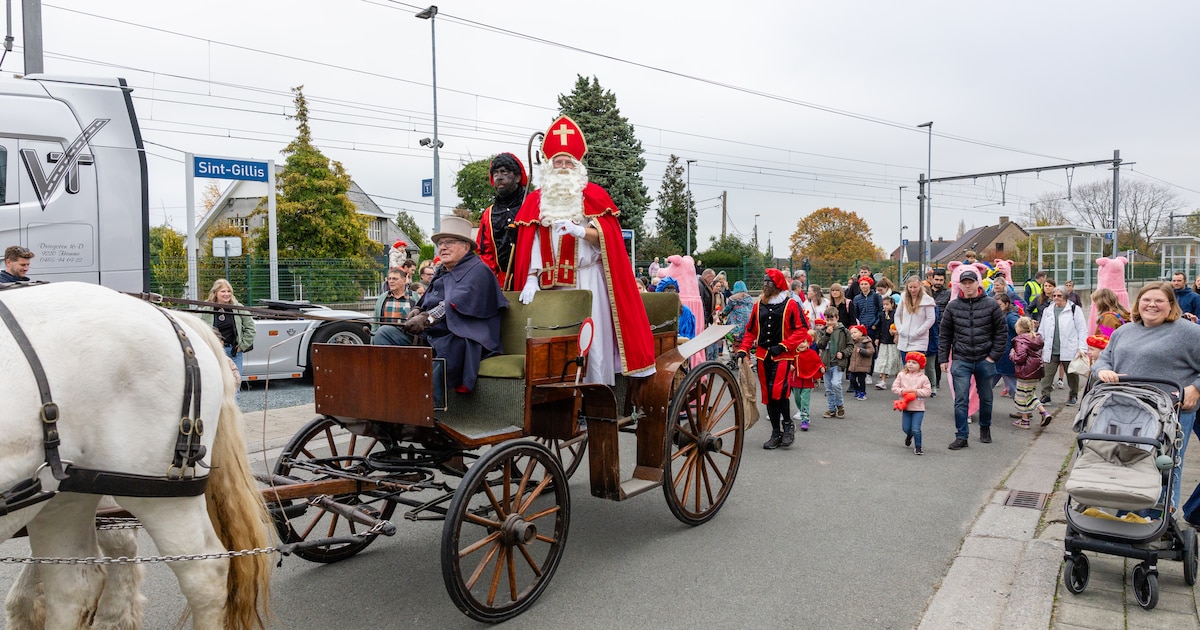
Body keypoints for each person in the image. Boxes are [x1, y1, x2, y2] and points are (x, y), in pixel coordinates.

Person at [511, 115, 656, 388]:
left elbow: (609, 243)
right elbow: (530, 242)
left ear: (577, 166)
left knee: (592, 340)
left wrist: (582, 232)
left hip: (588, 280)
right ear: (550, 165)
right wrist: (530, 276)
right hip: (549, 287)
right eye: (558, 162)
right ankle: (555, 396)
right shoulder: (536, 201)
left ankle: (594, 396)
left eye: (568, 162)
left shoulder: (594, 196)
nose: (563, 167)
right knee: (553, 342)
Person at [1094, 282, 1200, 512]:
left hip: (1171, 413)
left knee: (1163, 467)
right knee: (1128, 462)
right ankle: (1127, 514)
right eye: (1146, 299)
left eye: (1159, 300)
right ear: (1138, 303)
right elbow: (1104, 359)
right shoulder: (1124, 331)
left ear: (1171, 305)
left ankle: (1156, 521)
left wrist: (1196, 388)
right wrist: (1102, 370)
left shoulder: (1188, 332)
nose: (1152, 304)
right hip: (1127, 410)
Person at [400, 216, 508, 408]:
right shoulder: (441, 270)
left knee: (448, 348)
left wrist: (426, 318)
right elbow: (427, 298)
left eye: (449, 242)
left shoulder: (479, 271)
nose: (442, 247)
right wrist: (417, 309)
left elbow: (455, 302)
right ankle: (390, 394)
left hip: (465, 333)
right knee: (385, 335)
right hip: (433, 331)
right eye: (440, 243)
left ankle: (430, 410)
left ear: (466, 246)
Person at [736, 269, 808, 449]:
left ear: (777, 285)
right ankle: (776, 431)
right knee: (768, 395)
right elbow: (751, 330)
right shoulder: (758, 304)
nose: (765, 285)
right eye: (764, 281)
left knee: (778, 391)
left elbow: (801, 330)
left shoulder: (791, 304)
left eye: (769, 282)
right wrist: (744, 349)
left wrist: (784, 345)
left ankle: (788, 425)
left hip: (782, 355)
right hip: (762, 355)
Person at [939, 269, 1007, 449]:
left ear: (978, 283)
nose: (968, 286)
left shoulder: (991, 305)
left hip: (985, 359)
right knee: (960, 399)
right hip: (961, 359)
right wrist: (943, 358)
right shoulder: (953, 306)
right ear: (959, 285)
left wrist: (993, 357)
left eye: (971, 282)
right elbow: (945, 334)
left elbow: (1001, 333)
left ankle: (985, 427)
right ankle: (961, 435)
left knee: (986, 398)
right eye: (964, 283)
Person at [476, 153, 529, 290]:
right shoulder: (488, 214)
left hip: (531, 279)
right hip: (501, 284)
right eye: (496, 173)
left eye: (504, 172)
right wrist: (491, 282)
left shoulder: (532, 205)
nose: (499, 177)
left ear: (517, 177)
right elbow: (484, 252)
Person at [1036, 285, 1088, 406]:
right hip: (1051, 348)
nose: (1056, 298)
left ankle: (1073, 395)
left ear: (1065, 296)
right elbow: (1042, 329)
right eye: (1054, 296)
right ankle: (1045, 396)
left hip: (1069, 348)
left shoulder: (1074, 309)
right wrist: (1039, 344)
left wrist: (1082, 348)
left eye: (1059, 295)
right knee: (1046, 374)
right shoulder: (1048, 310)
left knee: (1071, 375)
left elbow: (1082, 330)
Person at [197, 278, 256, 379]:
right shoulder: (207, 309)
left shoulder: (238, 308)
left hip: (234, 352)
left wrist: (242, 346)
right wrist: (215, 341)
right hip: (215, 352)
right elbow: (201, 330)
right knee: (217, 383)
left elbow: (250, 328)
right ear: (215, 293)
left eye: (229, 291)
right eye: (223, 291)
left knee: (235, 384)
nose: (226, 294)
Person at [1009, 316, 1052, 429]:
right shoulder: (1036, 338)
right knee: (1030, 394)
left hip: (1025, 372)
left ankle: (1025, 420)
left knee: (1021, 396)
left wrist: (1012, 354)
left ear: (1019, 329)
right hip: (1036, 371)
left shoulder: (1020, 340)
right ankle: (1043, 413)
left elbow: (1020, 358)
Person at [895, 275, 937, 387]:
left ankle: (918, 392)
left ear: (920, 286)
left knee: (916, 369)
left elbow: (931, 319)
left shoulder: (927, 300)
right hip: (904, 339)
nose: (913, 290)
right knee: (906, 368)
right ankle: (905, 391)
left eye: (915, 287)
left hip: (919, 340)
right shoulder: (903, 297)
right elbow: (897, 315)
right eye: (910, 287)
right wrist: (900, 329)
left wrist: (918, 332)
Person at [892, 352, 933, 455]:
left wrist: (916, 391)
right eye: (909, 362)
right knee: (906, 428)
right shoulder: (901, 375)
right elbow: (894, 388)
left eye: (914, 362)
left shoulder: (923, 378)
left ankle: (918, 447)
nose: (910, 364)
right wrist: (902, 391)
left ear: (920, 365)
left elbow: (928, 392)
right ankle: (909, 435)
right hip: (906, 407)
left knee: (916, 428)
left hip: (918, 408)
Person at [816, 308, 849, 419]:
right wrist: (827, 335)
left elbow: (851, 346)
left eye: (832, 319)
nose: (829, 322)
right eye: (827, 320)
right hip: (826, 363)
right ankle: (831, 408)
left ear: (837, 318)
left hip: (838, 363)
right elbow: (820, 345)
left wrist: (843, 353)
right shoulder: (823, 330)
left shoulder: (844, 331)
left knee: (836, 384)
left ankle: (840, 406)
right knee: (828, 388)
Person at [371, 267, 419, 346]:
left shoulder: (414, 297)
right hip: (384, 338)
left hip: (408, 338)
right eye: (389, 279)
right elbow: (375, 323)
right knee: (382, 331)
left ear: (404, 280)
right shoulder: (383, 298)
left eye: (395, 279)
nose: (391, 281)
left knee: (383, 330)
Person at [790, 331, 824, 432]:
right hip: (796, 380)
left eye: (804, 342)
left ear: (809, 343)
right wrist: (790, 366)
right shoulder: (794, 353)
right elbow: (788, 362)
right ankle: (801, 411)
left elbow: (818, 362)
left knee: (805, 400)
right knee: (797, 399)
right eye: (799, 341)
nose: (801, 344)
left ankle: (805, 419)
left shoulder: (812, 353)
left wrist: (821, 367)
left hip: (807, 381)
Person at [993, 293, 1019, 401]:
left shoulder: (1011, 317)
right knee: (985, 385)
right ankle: (975, 406)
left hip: (1007, 357)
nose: (996, 307)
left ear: (1007, 304)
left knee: (1013, 387)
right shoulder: (997, 316)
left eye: (999, 305)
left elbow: (1021, 329)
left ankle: (1025, 410)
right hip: (997, 357)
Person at [875, 296, 900, 390]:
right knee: (883, 360)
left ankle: (898, 381)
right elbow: (879, 326)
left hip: (893, 342)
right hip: (884, 340)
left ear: (892, 304)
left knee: (895, 361)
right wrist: (877, 337)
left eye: (887, 304)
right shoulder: (881, 314)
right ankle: (883, 381)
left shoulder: (895, 314)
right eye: (884, 304)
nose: (885, 306)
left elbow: (896, 325)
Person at [719, 280, 754, 349]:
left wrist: (722, 315)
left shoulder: (733, 298)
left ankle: (737, 356)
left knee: (737, 342)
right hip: (748, 323)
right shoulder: (749, 298)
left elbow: (727, 310)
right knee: (746, 342)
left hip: (737, 324)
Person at [846, 325, 873, 401]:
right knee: (852, 379)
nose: (853, 334)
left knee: (861, 380)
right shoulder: (852, 343)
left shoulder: (866, 341)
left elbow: (871, 351)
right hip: (853, 365)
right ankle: (857, 390)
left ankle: (862, 392)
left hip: (862, 365)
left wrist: (862, 351)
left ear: (861, 333)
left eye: (855, 332)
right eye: (851, 333)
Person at [699, 268, 718, 360]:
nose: (713, 280)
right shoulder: (701, 286)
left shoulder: (704, 285)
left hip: (706, 319)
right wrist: (705, 320)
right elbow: (702, 304)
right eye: (712, 278)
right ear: (708, 276)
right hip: (704, 320)